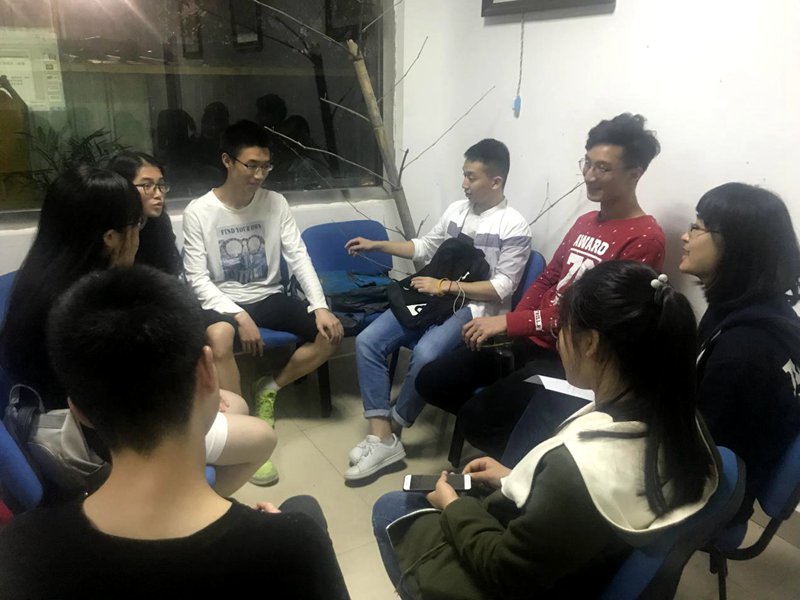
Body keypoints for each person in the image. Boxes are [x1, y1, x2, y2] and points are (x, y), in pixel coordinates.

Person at [372, 260, 718, 599]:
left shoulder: (577, 469)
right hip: (586, 560)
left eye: (560, 329)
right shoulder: (683, 421)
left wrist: (452, 507)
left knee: (392, 507)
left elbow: (503, 570)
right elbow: (578, 508)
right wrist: (515, 478)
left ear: (590, 343)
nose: (559, 341)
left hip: (525, 580)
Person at [0, 266, 349, 599]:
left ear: (78, 410)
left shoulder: (19, 549)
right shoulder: (293, 548)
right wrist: (278, 534)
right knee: (304, 508)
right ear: (208, 373)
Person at [0, 166, 274, 495]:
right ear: (110, 238)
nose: (140, 234)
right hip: (102, 437)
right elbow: (126, 393)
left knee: (234, 404)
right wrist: (191, 403)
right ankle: (183, 509)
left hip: (59, 415)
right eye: (137, 224)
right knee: (261, 437)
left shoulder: (39, 277)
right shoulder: (89, 304)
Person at [417, 113, 666, 460]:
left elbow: (595, 319)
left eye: (603, 168)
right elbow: (549, 277)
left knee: (477, 421)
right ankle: (519, 437)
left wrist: (511, 322)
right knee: (431, 380)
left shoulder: (645, 239)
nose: (590, 176)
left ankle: (531, 459)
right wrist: (512, 325)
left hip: (569, 358)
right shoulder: (586, 221)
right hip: (529, 338)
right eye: (587, 163)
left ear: (634, 174)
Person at [343, 139, 532, 481]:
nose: (464, 184)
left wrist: (444, 286)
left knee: (427, 353)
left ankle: (394, 430)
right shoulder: (457, 211)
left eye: (471, 177)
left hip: (475, 307)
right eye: (464, 175)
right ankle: (381, 434)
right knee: (368, 341)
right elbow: (424, 247)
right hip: (434, 297)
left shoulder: (514, 226)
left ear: (496, 181)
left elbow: (502, 287)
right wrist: (377, 244)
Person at [108, 151, 278, 487]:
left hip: (166, 317)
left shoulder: (155, 227)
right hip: (147, 347)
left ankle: (225, 411)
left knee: (221, 331)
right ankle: (217, 432)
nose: (158, 194)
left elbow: (174, 289)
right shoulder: (115, 243)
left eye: (161, 185)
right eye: (146, 186)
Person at [182, 121, 343, 468]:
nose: (258, 175)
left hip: (268, 295)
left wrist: (320, 306)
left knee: (330, 334)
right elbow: (196, 278)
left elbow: (298, 256)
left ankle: (269, 388)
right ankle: (239, 427)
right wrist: (239, 315)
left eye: (265, 166)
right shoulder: (199, 211)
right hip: (223, 299)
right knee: (220, 338)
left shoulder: (275, 202)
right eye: (251, 165)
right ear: (227, 161)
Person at [679, 182, 800, 523]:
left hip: (710, 494)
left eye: (696, 227)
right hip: (721, 472)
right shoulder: (762, 311)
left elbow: (697, 456)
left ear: (735, 246)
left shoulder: (744, 350)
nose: (685, 237)